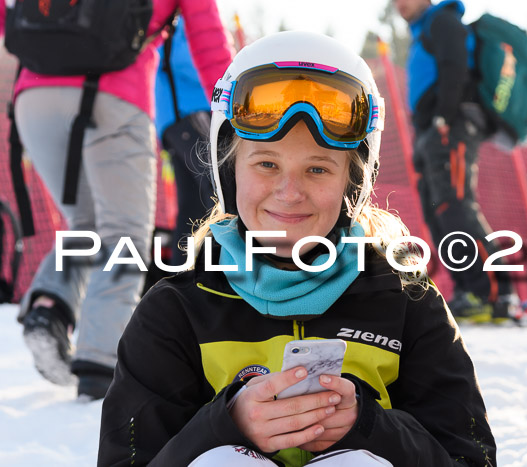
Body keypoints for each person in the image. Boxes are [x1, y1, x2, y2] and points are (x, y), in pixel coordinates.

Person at [98, 31, 496, 466]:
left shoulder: (405, 303)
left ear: (353, 184)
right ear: (229, 171)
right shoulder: (176, 311)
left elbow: (470, 458)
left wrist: (368, 426)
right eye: (267, 164)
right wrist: (225, 426)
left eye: (318, 169)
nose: (289, 193)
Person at [0, 1, 233, 399]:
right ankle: (100, 360)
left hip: (35, 97)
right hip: (116, 96)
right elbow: (208, 41)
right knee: (124, 234)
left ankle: (50, 305)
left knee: (87, 226)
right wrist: (233, 114)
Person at [394, 0, 525, 323]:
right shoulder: (423, 30)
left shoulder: (443, 21)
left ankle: (495, 294)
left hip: (450, 128)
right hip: (432, 132)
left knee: (455, 207)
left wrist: (443, 118)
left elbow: (454, 68)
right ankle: (471, 291)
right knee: (438, 213)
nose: (399, 4)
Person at [155, 17, 217, 268]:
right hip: (190, 114)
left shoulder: (164, 19)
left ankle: (183, 276)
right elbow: (189, 59)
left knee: (192, 205)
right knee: (220, 191)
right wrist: (230, 69)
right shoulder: (177, 21)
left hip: (172, 121)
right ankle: (221, 271)